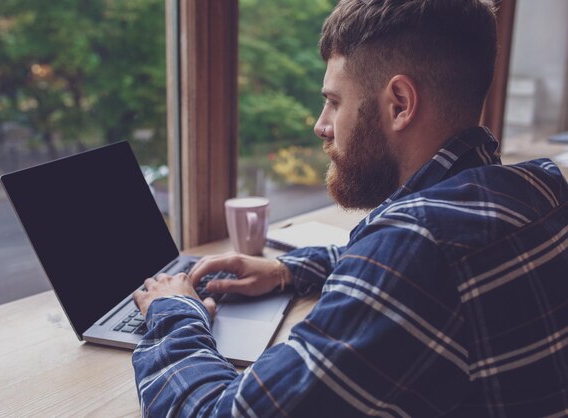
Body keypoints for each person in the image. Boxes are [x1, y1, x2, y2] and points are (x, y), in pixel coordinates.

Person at [131, 0, 568, 416]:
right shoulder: (541, 189)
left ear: (400, 104)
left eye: (334, 101)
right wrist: (287, 271)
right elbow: (430, 262)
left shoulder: (417, 250)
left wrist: (174, 310)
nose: (321, 125)